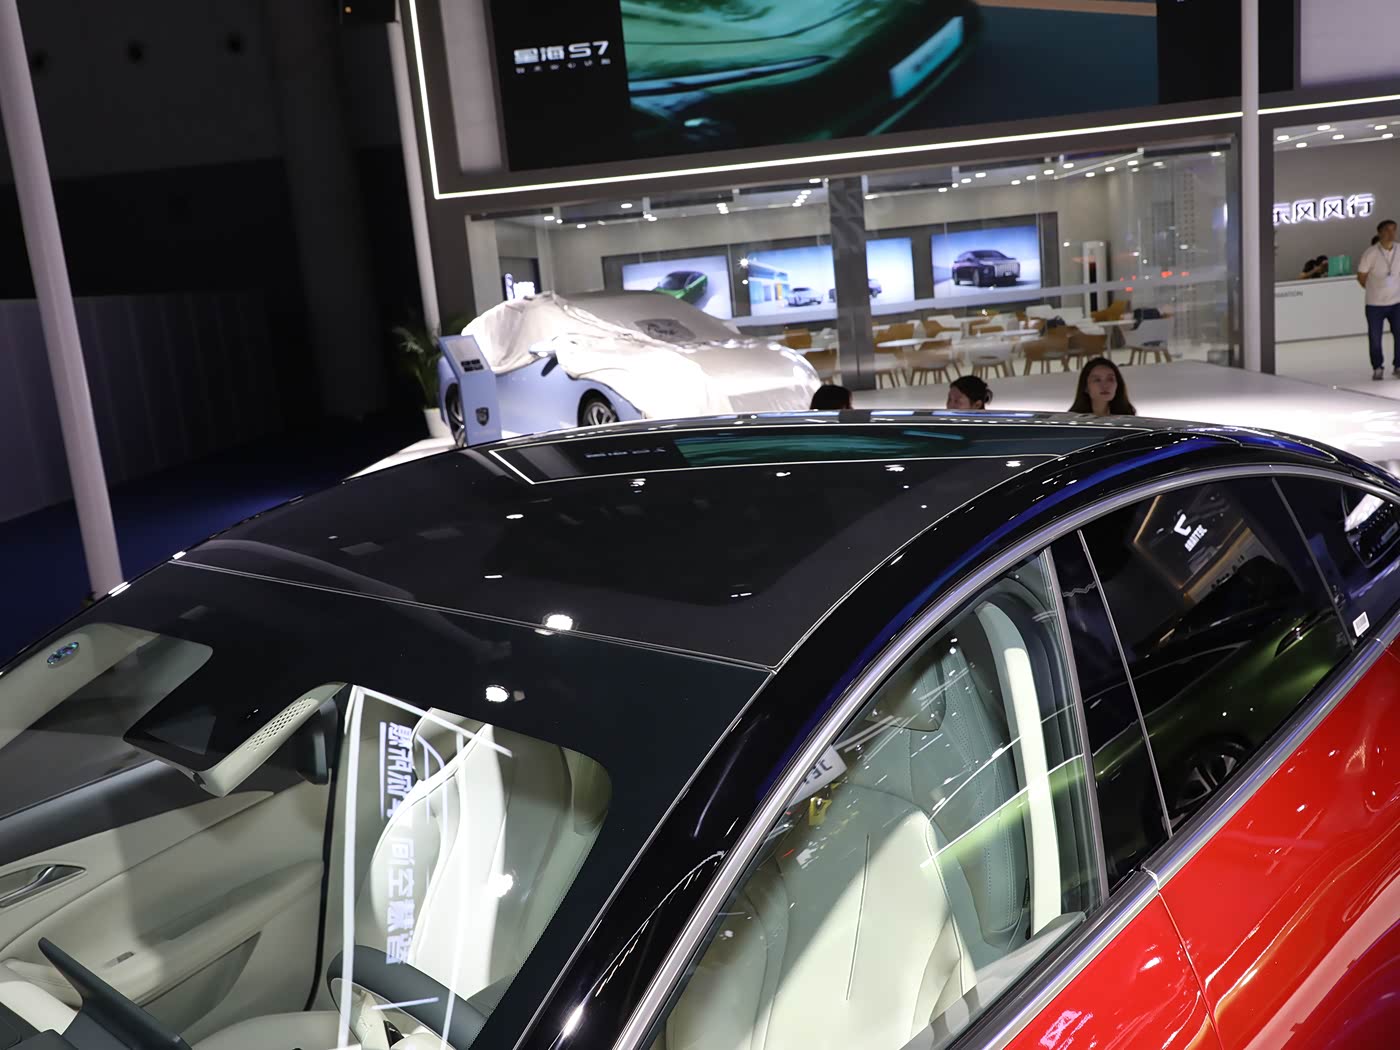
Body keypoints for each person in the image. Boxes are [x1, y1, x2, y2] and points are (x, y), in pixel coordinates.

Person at [1358, 219, 1400, 381]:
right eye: (1387, 230)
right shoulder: (1370, 253)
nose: (1391, 233)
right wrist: (1373, 289)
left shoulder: (1399, 250)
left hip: (1396, 302)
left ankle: (1398, 365)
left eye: (1393, 230)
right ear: (1380, 232)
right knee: (1375, 337)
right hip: (1375, 304)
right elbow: (1361, 276)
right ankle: (1377, 367)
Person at [1069, 356, 1137, 416]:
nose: (1105, 385)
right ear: (1085, 387)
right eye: (1097, 380)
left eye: (1110, 379)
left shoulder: (1128, 420)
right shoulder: (1073, 421)